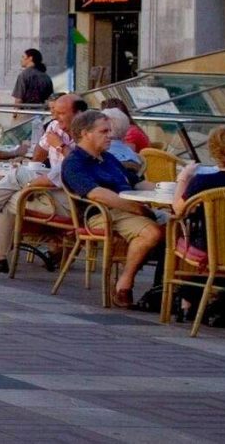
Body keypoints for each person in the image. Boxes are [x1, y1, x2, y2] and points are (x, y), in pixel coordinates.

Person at [0, 91, 78, 271]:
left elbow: (69, 168)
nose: (54, 117)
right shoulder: (56, 127)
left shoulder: (86, 138)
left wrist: (58, 146)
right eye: (52, 111)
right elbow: (40, 158)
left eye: (60, 113)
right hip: (53, 191)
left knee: (16, 182)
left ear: (78, 114)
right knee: (11, 195)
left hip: (67, 201)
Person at [60, 109, 162, 308]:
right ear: (85, 133)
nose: (110, 136)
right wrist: (138, 209)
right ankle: (124, 283)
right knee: (152, 233)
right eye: (104, 131)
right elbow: (97, 194)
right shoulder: (74, 163)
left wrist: (168, 189)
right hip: (102, 213)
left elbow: (136, 183)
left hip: (128, 210)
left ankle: (167, 292)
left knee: (182, 228)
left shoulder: (109, 158)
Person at [179, 124, 225, 265]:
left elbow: (179, 210)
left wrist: (183, 178)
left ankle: (164, 284)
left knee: (173, 232)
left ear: (213, 152)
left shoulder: (203, 181)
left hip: (209, 248)